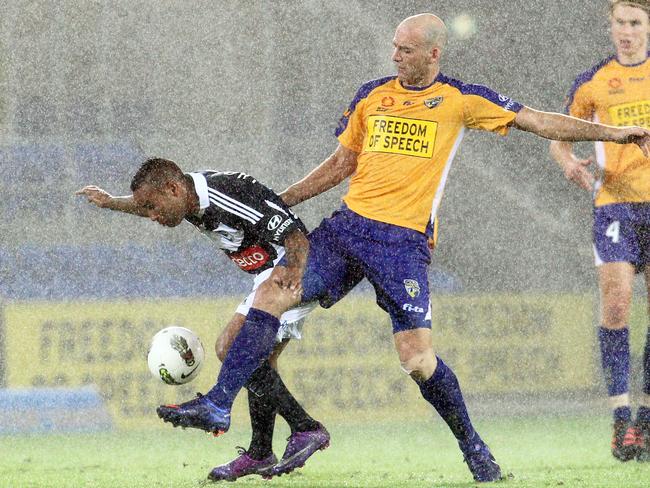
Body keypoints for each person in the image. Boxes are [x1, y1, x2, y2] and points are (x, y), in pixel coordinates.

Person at [156, 13, 650, 483]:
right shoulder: (373, 96)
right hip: (347, 229)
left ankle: (475, 449)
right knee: (271, 293)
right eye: (393, 46)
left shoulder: (460, 98)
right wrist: (283, 199)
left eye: (405, 49)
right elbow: (340, 164)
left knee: (417, 360)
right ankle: (219, 403)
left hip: (401, 244)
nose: (394, 55)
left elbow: (540, 122)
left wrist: (612, 132)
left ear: (433, 54)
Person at [76, 158, 330, 481]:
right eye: (147, 210)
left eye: (153, 207)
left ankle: (303, 428)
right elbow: (147, 204)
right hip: (264, 277)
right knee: (258, 363)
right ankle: (262, 452)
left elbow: (295, 236)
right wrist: (112, 202)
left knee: (230, 346)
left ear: (173, 188)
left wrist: (292, 275)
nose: (152, 216)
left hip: (290, 269)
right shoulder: (186, 198)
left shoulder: (226, 195)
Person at [550, 0, 650, 463]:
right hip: (614, 207)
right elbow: (559, 134)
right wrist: (569, 163)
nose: (627, 31)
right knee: (616, 305)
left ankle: (644, 420)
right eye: (620, 23)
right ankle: (619, 414)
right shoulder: (593, 81)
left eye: (635, 23)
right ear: (609, 27)